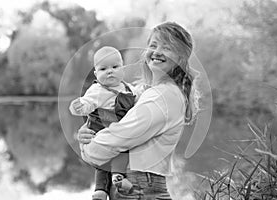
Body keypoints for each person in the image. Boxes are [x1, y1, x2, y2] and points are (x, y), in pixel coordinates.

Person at [77, 22, 200, 199]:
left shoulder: (161, 96)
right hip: (137, 185)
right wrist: (88, 131)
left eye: (167, 47)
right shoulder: (149, 92)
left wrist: (87, 147)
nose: (157, 51)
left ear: (180, 58)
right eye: (153, 45)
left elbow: (118, 138)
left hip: (138, 187)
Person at [69, 46, 142, 200]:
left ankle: (118, 178)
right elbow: (88, 103)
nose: (110, 71)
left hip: (120, 133)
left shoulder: (129, 88)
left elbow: (139, 99)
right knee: (103, 161)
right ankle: (101, 189)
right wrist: (79, 107)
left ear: (123, 69)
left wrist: (145, 91)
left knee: (121, 154)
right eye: (103, 69)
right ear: (96, 74)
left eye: (115, 67)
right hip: (102, 130)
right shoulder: (97, 90)